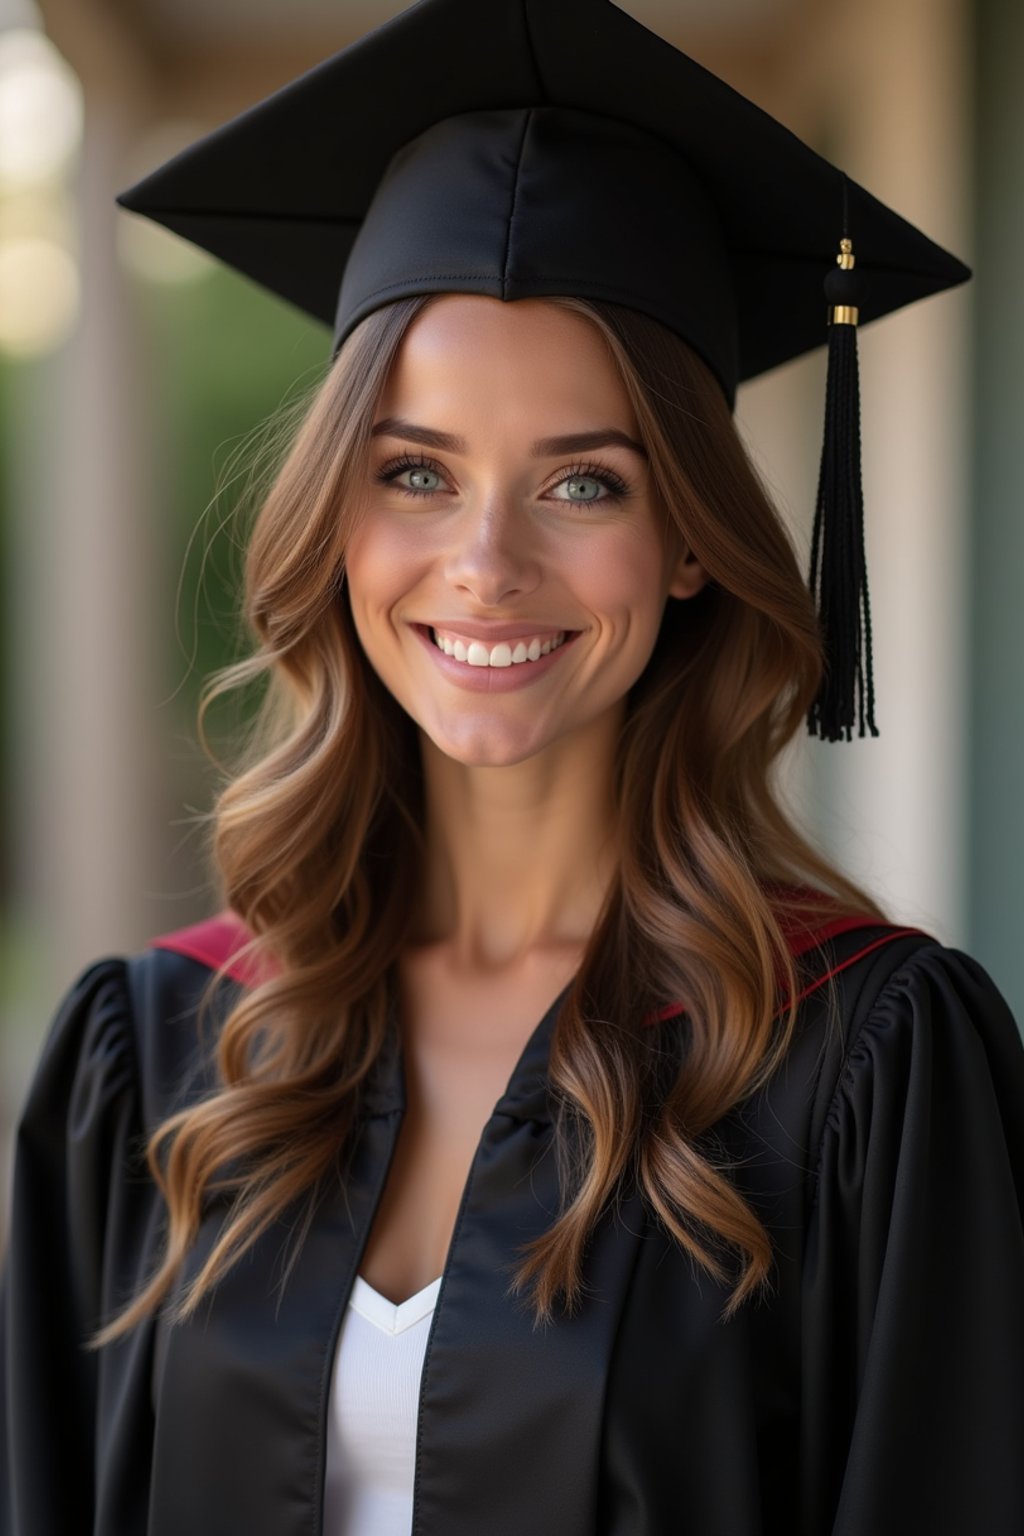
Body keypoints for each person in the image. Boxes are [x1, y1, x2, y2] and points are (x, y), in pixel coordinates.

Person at [3, 1, 1023, 1533]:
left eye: (584, 481)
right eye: (415, 471)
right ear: (336, 520)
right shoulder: (159, 1056)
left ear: (689, 539)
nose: (485, 564)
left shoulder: (857, 1067)